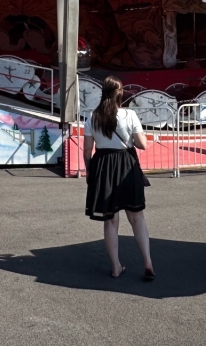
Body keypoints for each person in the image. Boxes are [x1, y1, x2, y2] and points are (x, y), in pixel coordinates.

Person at [83, 76, 155, 279]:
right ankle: (148, 262)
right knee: (136, 217)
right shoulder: (129, 114)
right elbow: (142, 144)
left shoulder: (92, 117)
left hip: (103, 167)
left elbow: (87, 151)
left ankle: (116, 267)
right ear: (120, 93)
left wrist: (90, 172)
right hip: (126, 165)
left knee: (111, 221)